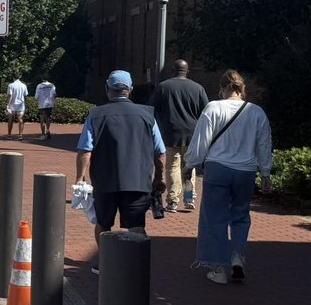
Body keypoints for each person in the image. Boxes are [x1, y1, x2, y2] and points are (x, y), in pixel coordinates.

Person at [184, 70, 272, 285]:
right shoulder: (256, 112)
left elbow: (201, 141)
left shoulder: (213, 108)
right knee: (241, 216)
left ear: (222, 89)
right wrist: (266, 172)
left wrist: (191, 164)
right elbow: (264, 143)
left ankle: (218, 268)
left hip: (218, 168)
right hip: (246, 170)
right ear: (242, 90)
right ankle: (237, 257)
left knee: (214, 218)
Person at [75, 70, 166, 274]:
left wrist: (80, 177)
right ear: (130, 90)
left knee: (103, 223)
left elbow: (85, 150)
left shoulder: (95, 115)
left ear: (108, 90)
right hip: (138, 180)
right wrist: (159, 179)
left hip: (105, 181)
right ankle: (136, 265)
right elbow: (160, 152)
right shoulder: (147, 115)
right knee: (136, 225)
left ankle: (106, 262)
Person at [148, 59, 209, 212]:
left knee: (172, 166)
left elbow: (151, 110)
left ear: (172, 70)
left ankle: (173, 201)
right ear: (187, 71)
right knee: (189, 166)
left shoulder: (163, 87)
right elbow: (206, 111)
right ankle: (189, 199)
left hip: (169, 133)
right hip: (192, 134)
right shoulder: (198, 88)